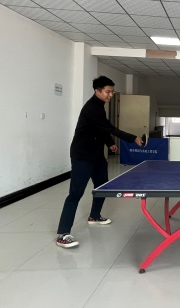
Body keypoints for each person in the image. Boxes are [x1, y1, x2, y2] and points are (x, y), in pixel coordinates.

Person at [56, 76, 143, 248]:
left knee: (102, 186)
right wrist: (133, 138)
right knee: (75, 193)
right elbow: (109, 128)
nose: (110, 95)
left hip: (96, 154)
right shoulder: (91, 108)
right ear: (97, 91)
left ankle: (94, 216)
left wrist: (109, 143)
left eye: (112, 92)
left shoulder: (100, 106)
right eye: (107, 92)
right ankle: (63, 233)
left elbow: (101, 129)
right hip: (82, 155)